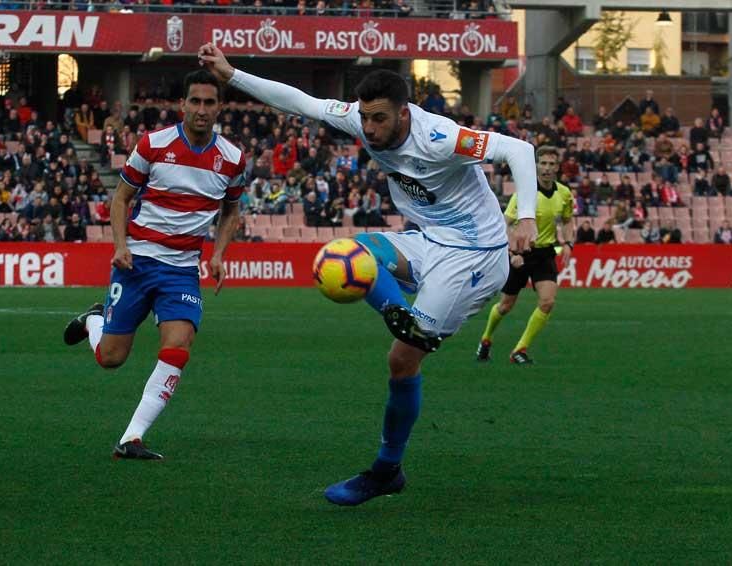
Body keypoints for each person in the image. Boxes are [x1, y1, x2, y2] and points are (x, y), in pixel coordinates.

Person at [198, 43, 537, 506]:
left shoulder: (440, 136)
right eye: (365, 118)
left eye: (380, 119)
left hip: (476, 256)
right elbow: (301, 102)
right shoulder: (361, 119)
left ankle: (385, 470)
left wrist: (527, 217)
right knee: (350, 251)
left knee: (402, 361)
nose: (370, 129)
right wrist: (231, 74)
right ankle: (401, 312)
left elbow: (519, 149)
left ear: (403, 114)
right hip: (428, 239)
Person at [62, 70, 246, 460]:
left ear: (219, 108)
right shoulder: (153, 145)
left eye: (209, 102)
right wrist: (120, 245)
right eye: (194, 101)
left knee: (179, 345)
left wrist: (218, 254)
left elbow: (231, 211)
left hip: (181, 270)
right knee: (110, 358)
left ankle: (131, 438)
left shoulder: (232, 159)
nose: (201, 109)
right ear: (182, 105)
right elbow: (120, 199)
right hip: (138, 263)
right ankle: (93, 320)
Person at [477, 145, 573, 365]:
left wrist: (568, 243)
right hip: (521, 253)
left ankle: (519, 350)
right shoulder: (524, 195)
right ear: (536, 165)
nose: (547, 168)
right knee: (505, 305)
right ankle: (486, 338)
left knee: (547, 302)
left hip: (545, 254)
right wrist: (511, 252)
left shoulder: (564, 193)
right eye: (543, 163)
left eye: (551, 164)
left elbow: (568, 219)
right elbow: (505, 224)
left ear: (557, 167)